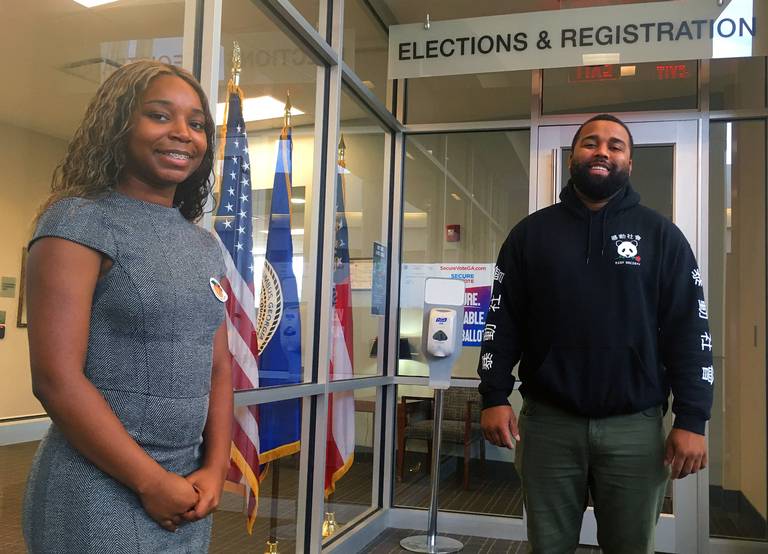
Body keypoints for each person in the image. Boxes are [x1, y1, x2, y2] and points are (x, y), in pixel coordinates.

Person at [22, 60, 233, 553]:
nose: (183, 133)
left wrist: (215, 467)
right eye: (160, 116)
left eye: (196, 123)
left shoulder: (201, 244)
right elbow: (56, 379)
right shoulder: (79, 221)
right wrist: (149, 481)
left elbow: (218, 366)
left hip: (187, 490)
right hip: (100, 490)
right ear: (118, 127)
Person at [478, 114, 713, 553]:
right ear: (573, 158)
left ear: (629, 162)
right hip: (548, 425)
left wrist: (692, 417)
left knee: (630, 547)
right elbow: (502, 320)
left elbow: (690, 330)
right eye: (590, 143)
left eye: (615, 145)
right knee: (548, 546)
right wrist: (493, 395)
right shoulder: (531, 235)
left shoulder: (662, 237)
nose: (602, 151)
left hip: (634, 428)